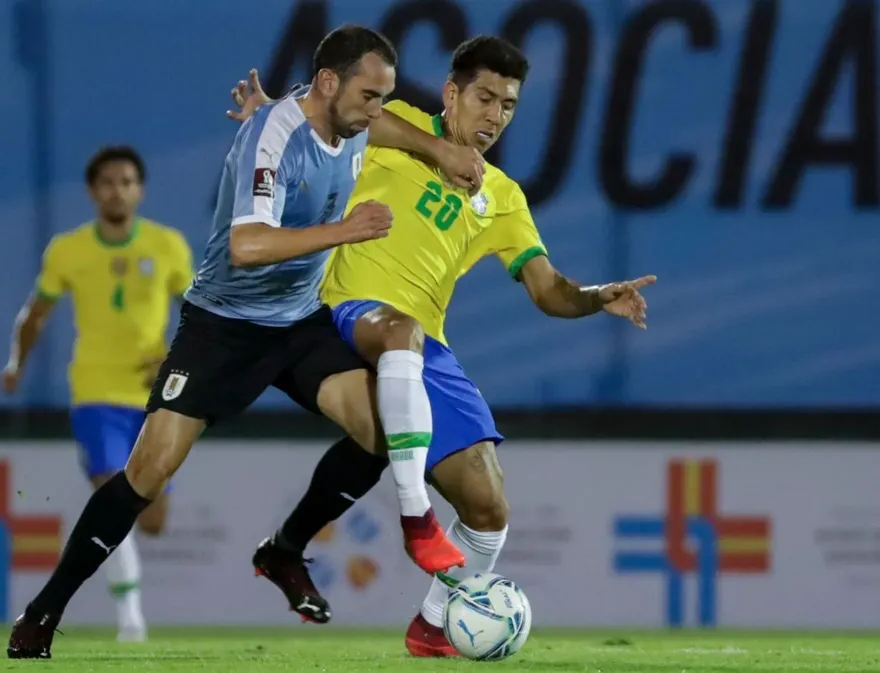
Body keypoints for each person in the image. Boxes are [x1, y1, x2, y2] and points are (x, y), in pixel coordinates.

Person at [6, 25, 485, 659]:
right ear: (327, 84)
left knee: (382, 430)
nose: (378, 111)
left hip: (297, 322)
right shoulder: (273, 137)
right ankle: (43, 612)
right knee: (145, 477)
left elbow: (387, 129)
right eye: (370, 96)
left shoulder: (348, 117)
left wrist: (439, 152)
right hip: (224, 326)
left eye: (384, 98)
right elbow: (247, 246)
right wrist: (346, 230)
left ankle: (284, 550)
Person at [227, 35, 655, 656]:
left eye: (508, 106)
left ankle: (432, 626)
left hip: (425, 345)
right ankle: (412, 514)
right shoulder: (391, 126)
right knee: (395, 355)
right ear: (452, 93)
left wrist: (595, 296)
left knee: (489, 509)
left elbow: (548, 290)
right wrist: (273, 112)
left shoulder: (502, 196)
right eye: (484, 97)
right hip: (347, 310)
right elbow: (331, 120)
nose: (494, 116)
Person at [0, 145, 192, 643]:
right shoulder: (68, 250)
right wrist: (16, 364)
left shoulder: (167, 246)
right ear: (91, 192)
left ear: (140, 189)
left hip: (153, 397)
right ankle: (131, 619)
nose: (118, 190)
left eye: (127, 182)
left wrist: (174, 360)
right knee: (114, 491)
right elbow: (35, 312)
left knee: (151, 520)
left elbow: (198, 317)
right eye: (108, 182)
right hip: (96, 391)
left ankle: (99, 545)